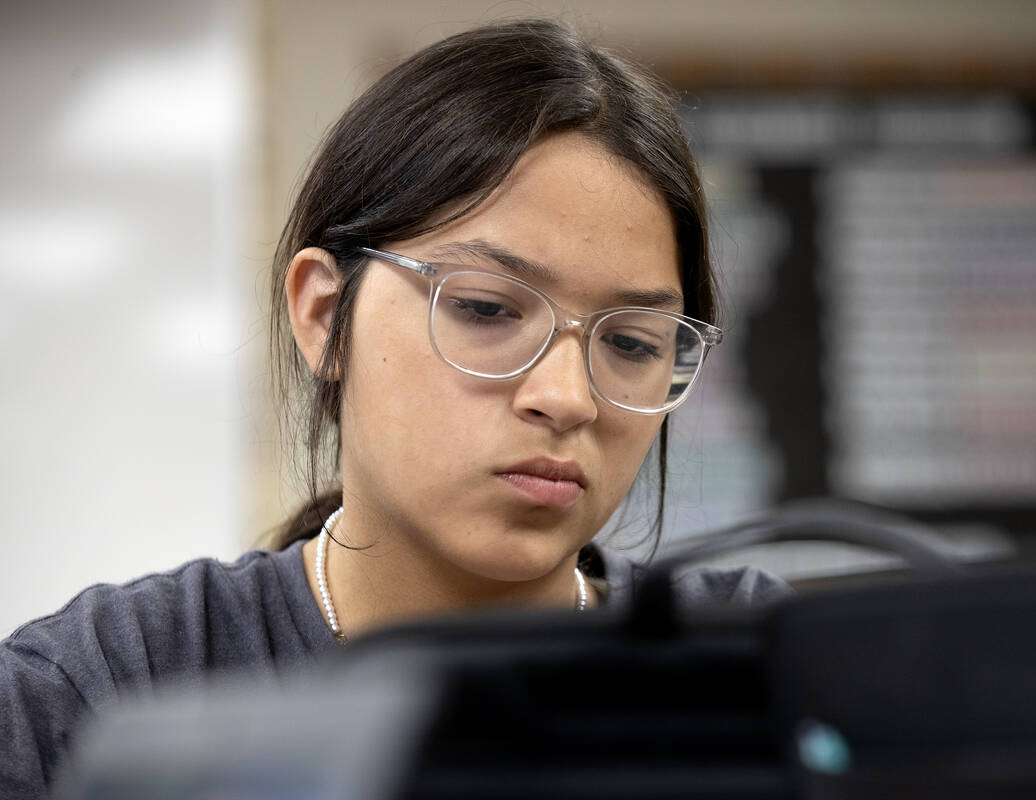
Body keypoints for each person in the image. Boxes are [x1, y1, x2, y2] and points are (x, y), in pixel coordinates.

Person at [0, 18, 790, 795]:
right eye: (485, 308)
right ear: (321, 316)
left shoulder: (768, 670)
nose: (566, 397)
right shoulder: (99, 693)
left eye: (633, 343)